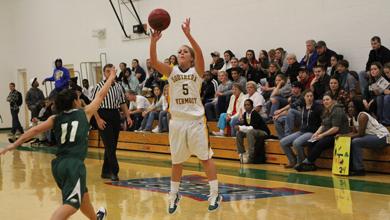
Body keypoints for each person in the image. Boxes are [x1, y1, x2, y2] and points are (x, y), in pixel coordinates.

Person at [0, 68, 118, 220]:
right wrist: (111, 77)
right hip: (74, 165)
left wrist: (13, 145)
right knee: (72, 204)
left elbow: (33, 131)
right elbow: (101, 95)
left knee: (82, 196)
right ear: (75, 102)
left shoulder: (55, 118)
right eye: (77, 98)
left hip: (59, 166)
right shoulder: (85, 112)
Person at [150, 18, 222, 213]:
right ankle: (174, 195)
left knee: (205, 158)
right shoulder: (172, 72)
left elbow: (199, 53)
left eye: (185, 51)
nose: (181, 53)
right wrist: (153, 42)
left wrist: (188, 35)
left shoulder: (196, 71)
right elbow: (154, 62)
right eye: (179, 51)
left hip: (196, 122)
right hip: (177, 123)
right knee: (176, 162)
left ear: (191, 58)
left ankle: (214, 193)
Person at [92, 64, 132, 181]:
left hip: (115, 115)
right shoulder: (99, 86)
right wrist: (98, 119)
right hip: (103, 114)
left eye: (112, 71)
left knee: (112, 146)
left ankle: (105, 172)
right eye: (107, 71)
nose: (110, 73)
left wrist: (128, 117)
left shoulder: (119, 86)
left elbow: (122, 103)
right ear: (104, 74)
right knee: (109, 145)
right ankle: (114, 172)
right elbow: (93, 105)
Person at [295, 92, 349, 172]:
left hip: (339, 136)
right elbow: (323, 125)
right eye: (324, 100)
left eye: (327, 99)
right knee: (311, 141)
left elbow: (335, 128)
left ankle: (306, 162)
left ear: (333, 101)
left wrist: (322, 135)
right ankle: (311, 164)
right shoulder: (326, 110)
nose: (325, 102)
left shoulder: (337, 110)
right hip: (330, 134)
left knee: (320, 143)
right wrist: (316, 133)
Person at [279, 90, 322, 168]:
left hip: (312, 132)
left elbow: (323, 121)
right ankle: (292, 161)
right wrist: (280, 112)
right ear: (304, 97)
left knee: (296, 143)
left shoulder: (317, 107)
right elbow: (291, 106)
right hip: (302, 131)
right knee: (283, 142)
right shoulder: (302, 105)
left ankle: (303, 163)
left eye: (311, 96)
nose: (309, 98)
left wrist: (319, 132)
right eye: (307, 96)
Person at [347, 98, 390, 176]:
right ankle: (350, 167)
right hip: (373, 136)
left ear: (357, 107)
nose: (350, 109)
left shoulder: (362, 115)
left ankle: (359, 169)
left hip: (383, 136)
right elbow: (353, 132)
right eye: (349, 107)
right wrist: (343, 136)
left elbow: (360, 134)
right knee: (351, 140)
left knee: (356, 142)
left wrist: (345, 136)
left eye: (352, 107)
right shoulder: (353, 117)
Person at [235, 99, 270, 164]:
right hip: (254, 132)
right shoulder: (245, 114)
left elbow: (252, 127)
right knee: (239, 133)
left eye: (248, 105)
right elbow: (246, 126)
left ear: (252, 106)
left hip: (263, 132)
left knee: (249, 132)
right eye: (245, 105)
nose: (246, 106)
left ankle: (251, 156)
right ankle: (241, 154)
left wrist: (240, 127)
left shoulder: (255, 113)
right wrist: (240, 128)